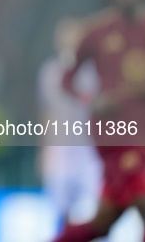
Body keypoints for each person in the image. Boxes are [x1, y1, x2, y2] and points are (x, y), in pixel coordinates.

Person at [53, 0, 145, 242]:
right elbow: (65, 79)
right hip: (113, 132)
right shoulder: (96, 31)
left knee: (104, 220)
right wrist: (90, 99)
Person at [37, 18, 102, 230]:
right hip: (60, 149)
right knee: (61, 210)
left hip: (89, 150)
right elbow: (46, 113)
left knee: (93, 210)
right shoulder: (50, 72)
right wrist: (43, 150)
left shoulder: (94, 72)